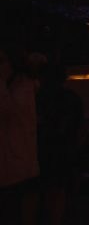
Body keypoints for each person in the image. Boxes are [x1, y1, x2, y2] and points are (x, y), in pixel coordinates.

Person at [36, 60, 84, 225]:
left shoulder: (37, 98)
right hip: (66, 151)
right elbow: (79, 128)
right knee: (60, 192)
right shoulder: (72, 99)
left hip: (41, 150)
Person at [0, 45, 40, 225]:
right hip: (18, 163)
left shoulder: (21, 88)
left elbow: (6, 111)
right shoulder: (23, 86)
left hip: (15, 165)